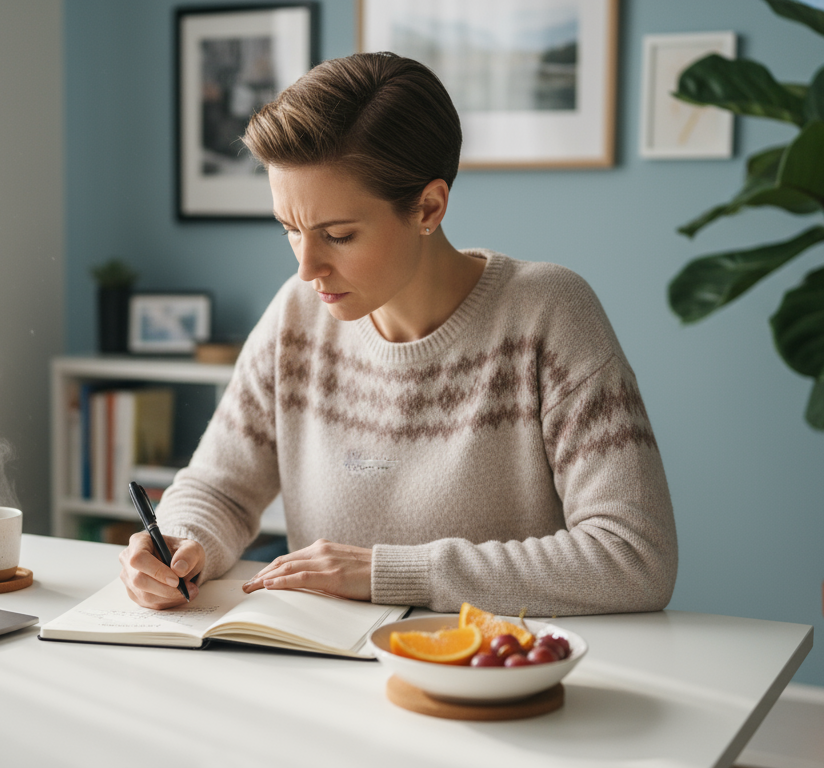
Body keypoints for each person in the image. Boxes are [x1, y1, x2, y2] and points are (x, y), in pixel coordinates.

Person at [119, 52, 677, 616]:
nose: (307, 267)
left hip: (485, 678)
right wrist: (179, 540)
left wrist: (394, 573)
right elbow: (220, 487)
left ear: (428, 207)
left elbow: (634, 556)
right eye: (290, 229)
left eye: (337, 235)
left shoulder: (548, 314)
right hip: (328, 670)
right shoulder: (297, 316)